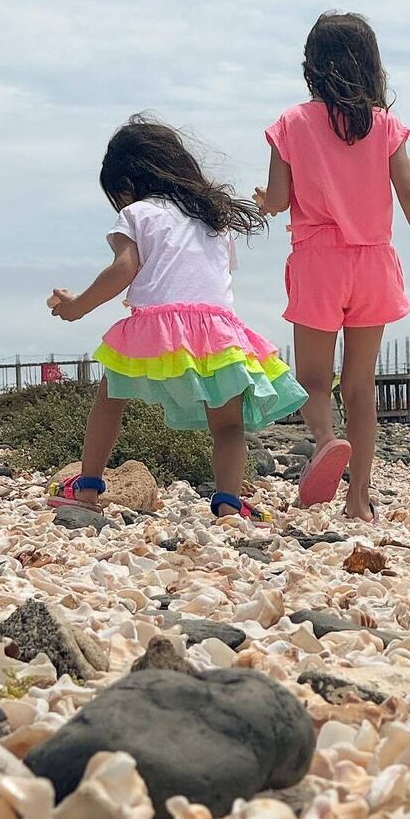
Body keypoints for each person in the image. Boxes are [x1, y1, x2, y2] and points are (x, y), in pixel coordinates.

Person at [47, 114, 307, 522]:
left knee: (111, 400)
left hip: (157, 325)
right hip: (217, 330)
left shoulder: (137, 214)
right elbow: (207, 279)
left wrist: (78, 305)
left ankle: (88, 486)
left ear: (127, 183)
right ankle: (228, 502)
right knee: (227, 425)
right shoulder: (214, 218)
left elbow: (124, 267)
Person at [258, 11, 410, 522]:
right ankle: (359, 498)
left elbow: (278, 199)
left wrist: (263, 201)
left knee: (312, 378)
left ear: (312, 63)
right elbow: (409, 191)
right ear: (370, 63)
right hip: (374, 262)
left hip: (319, 260)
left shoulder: (292, 123)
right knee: (360, 385)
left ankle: (327, 439)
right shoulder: (384, 125)